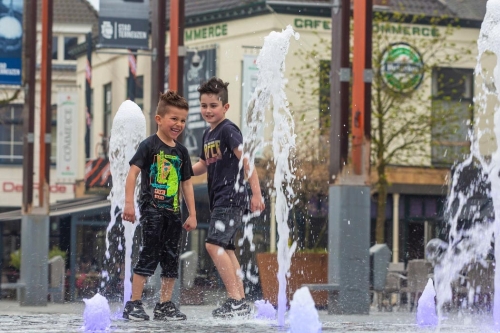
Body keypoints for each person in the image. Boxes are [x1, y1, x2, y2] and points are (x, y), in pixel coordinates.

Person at [192, 77, 265, 318]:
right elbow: (203, 165)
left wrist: (256, 193)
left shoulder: (228, 130)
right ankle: (241, 300)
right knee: (226, 248)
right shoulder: (207, 135)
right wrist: (180, 169)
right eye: (204, 105)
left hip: (231, 197)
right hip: (220, 201)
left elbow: (247, 160)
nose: (208, 110)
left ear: (225, 107)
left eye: (213, 105)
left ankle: (235, 299)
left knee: (213, 245)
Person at [122, 91, 197, 321]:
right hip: (152, 209)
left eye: (183, 120)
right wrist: (129, 204)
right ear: (159, 119)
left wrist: (192, 213)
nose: (179, 124)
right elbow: (133, 173)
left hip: (174, 212)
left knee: (171, 256)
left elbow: (186, 184)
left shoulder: (181, 152)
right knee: (150, 251)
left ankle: (164, 305)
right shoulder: (149, 146)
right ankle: (133, 303)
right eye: (174, 118)